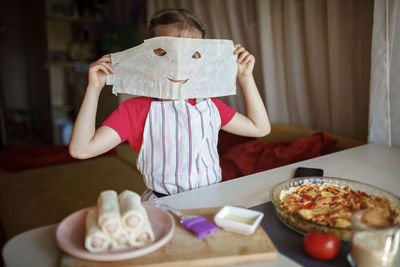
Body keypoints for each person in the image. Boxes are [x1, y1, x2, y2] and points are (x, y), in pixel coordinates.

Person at [69, 8, 271, 201]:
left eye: (192, 54)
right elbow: (81, 149)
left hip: (214, 198)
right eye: (164, 52)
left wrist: (245, 77)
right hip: (163, 205)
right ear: (148, 55)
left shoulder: (210, 105)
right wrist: (93, 89)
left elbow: (260, 128)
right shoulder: (135, 110)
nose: (179, 64)